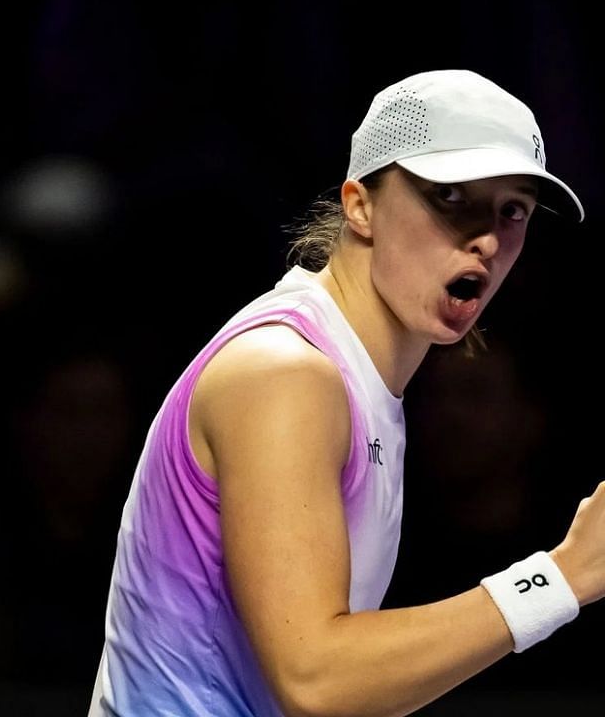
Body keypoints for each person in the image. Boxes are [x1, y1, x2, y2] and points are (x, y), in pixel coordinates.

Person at [89, 69, 605, 716]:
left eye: (512, 212)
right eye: (451, 198)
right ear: (360, 204)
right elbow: (317, 680)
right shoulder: (286, 374)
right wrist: (562, 578)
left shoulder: (362, 382)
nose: (488, 238)